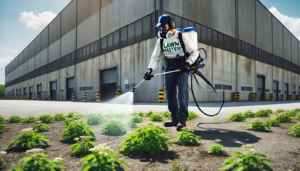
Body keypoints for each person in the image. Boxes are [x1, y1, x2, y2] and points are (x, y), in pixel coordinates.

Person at [144, 14, 199, 131]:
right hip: (169, 66)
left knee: (182, 93)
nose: (161, 29)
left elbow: (195, 52)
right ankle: (174, 118)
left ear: (171, 25)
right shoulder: (160, 41)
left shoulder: (181, 36)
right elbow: (155, 57)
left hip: (182, 65)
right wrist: (150, 69)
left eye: (164, 27)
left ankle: (182, 120)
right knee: (170, 93)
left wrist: (187, 63)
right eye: (160, 27)